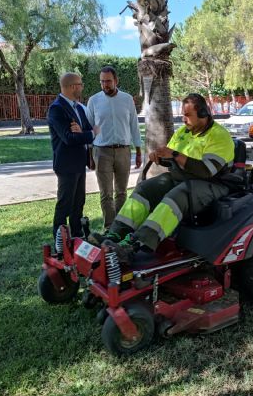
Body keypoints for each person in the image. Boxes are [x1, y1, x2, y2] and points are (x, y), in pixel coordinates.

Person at [90, 93, 235, 264]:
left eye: (188, 115)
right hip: (183, 178)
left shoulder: (218, 136)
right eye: (183, 114)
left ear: (203, 114)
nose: (184, 118)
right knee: (145, 189)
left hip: (212, 183)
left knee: (176, 197)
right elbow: (172, 158)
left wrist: (174, 154)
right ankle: (115, 234)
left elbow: (206, 170)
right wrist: (160, 157)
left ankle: (136, 244)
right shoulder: (183, 132)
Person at [86, 66, 142, 229]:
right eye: (102, 82)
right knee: (106, 194)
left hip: (124, 151)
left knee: (122, 192)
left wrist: (138, 150)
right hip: (101, 152)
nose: (105, 85)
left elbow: (134, 125)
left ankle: (121, 226)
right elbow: (89, 129)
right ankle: (110, 228)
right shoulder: (94, 101)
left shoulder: (127, 99)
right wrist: (89, 155)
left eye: (108, 81)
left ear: (116, 81)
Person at [47, 72, 97, 239]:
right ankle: (60, 240)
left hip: (79, 163)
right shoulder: (57, 109)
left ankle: (77, 236)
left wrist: (83, 133)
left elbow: (86, 129)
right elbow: (69, 138)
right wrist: (90, 134)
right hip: (66, 165)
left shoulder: (78, 108)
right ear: (72, 87)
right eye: (80, 84)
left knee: (78, 203)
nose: (82, 87)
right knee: (65, 204)